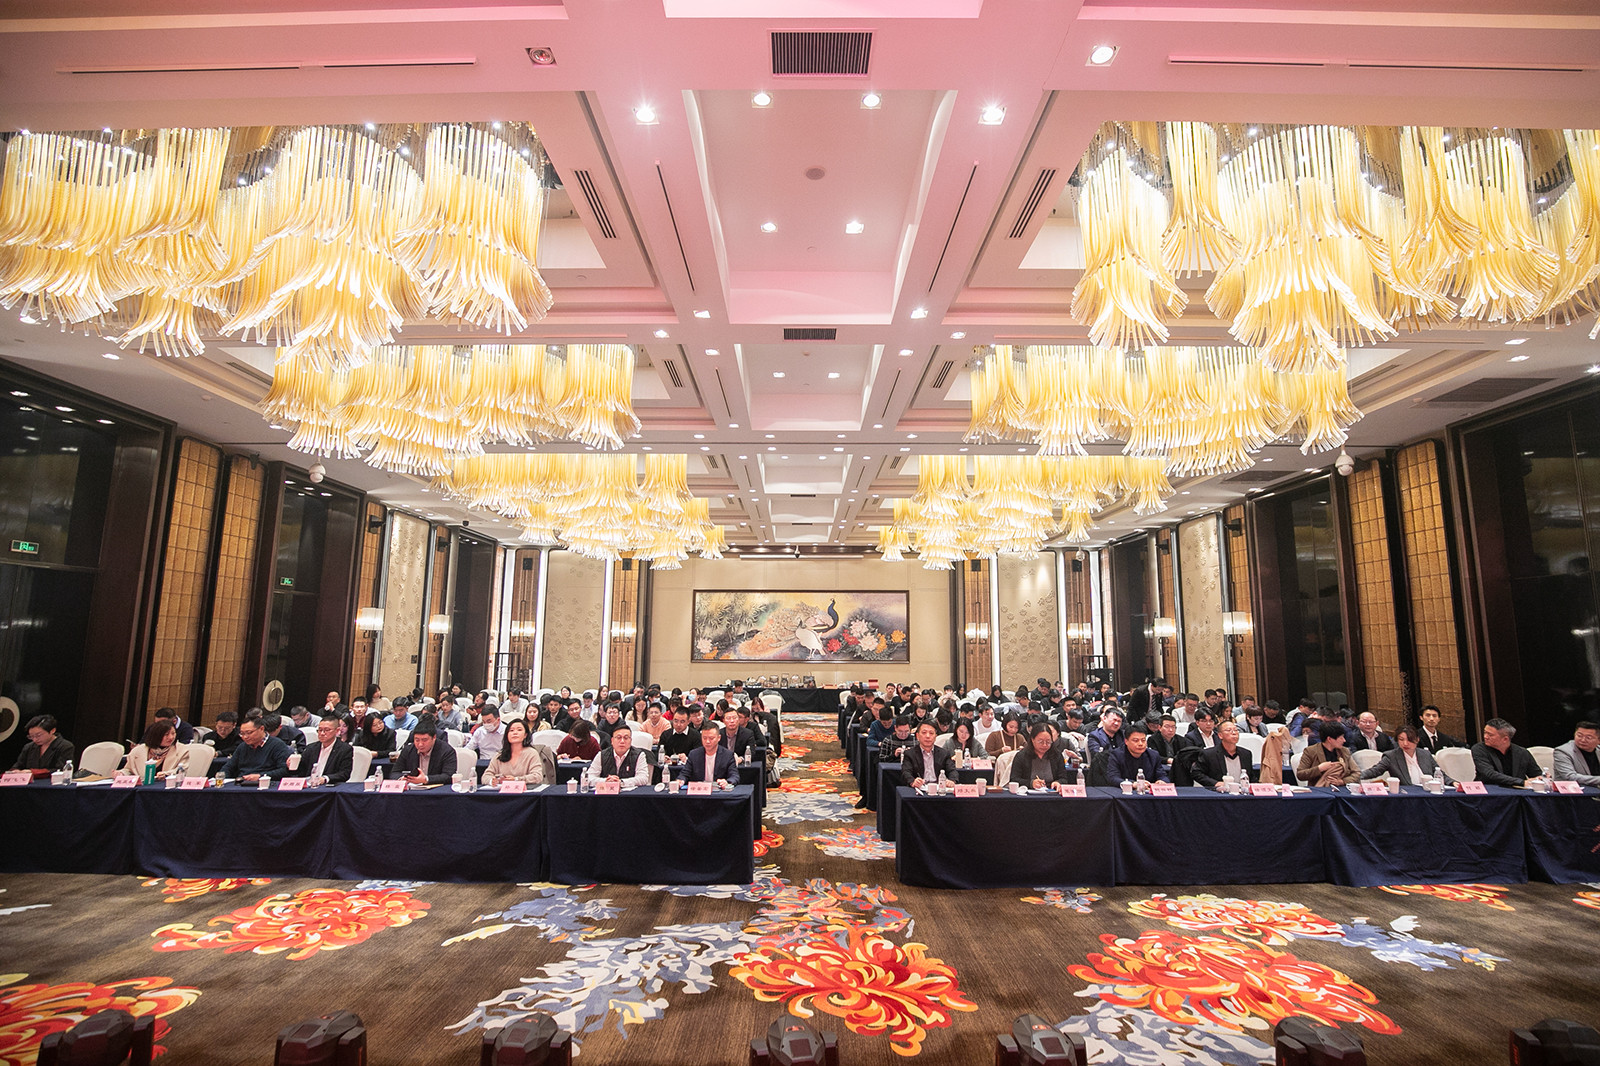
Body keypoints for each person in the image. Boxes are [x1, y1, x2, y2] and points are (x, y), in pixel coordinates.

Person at [1360, 726, 1452, 786]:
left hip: (1427, 792)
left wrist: (1453, 782)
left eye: (1409, 740)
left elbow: (1439, 773)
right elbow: (1375, 771)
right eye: (1401, 739)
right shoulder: (1391, 756)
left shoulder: (1425, 754)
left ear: (1417, 739)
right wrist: (1356, 776)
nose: (1405, 743)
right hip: (1405, 796)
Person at [1473, 718, 1544, 788]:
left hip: (1517, 791)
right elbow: (1489, 774)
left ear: (1505, 739)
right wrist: (1521, 782)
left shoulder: (1522, 752)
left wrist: (1542, 778)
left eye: (1490, 735)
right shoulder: (1479, 749)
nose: (1485, 737)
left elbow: (1536, 774)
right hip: (1489, 790)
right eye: (1485, 732)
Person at [391, 716, 458, 784]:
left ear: (434, 737)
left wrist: (426, 779)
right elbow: (395, 772)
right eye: (417, 740)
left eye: (424, 740)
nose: (420, 744)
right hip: (412, 787)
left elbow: (448, 776)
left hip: (436, 789)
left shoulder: (447, 751)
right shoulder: (408, 750)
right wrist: (402, 778)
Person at [222, 717, 290, 782]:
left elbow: (284, 770)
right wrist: (222, 777)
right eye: (242, 734)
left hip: (265, 784)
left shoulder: (277, 745)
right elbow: (229, 767)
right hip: (242, 782)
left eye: (249, 733)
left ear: (261, 729)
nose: (245, 737)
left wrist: (261, 776)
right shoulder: (242, 746)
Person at [1191, 722, 1257, 790]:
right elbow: (1197, 773)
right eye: (1229, 730)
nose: (1234, 733)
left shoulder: (1246, 753)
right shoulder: (1209, 754)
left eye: (1236, 730)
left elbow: (1251, 776)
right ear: (1220, 735)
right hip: (1219, 793)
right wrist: (1215, 783)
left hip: (1243, 792)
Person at [290, 715, 354, 784]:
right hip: (310, 785)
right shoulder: (310, 748)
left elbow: (345, 773)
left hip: (330, 786)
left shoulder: (345, 749)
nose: (322, 733)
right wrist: (291, 766)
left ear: (337, 730)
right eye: (320, 730)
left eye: (327, 730)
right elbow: (301, 771)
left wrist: (325, 779)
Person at [1008, 722, 1073, 788]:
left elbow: (1064, 779)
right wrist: (1031, 783)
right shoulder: (1022, 756)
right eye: (1040, 741)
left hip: (1051, 792)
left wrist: (1058, 782)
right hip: (1028, 793)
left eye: (1048, 742)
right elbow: (1014, 780)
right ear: (1032, 740)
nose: (1044, 745)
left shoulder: (1057, 755)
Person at [1296, 720, 1358, 787]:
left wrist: (1342, 781)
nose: (1344, 740)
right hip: (1319, 789)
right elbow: (1300, 774)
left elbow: (1356, 772)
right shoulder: (1310, 751)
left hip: (1342, 788)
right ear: (1329, 739)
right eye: (1341, 738)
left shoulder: (1344, 751)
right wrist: (1319, 768)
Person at [1103, 724, 1169, 786]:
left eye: (1143, 740)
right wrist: (1132, 784)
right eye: (1135, 740)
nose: (1140, 744)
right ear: (1126, 741)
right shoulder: (1117, 755)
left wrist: (1162, 781)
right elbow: (1113, 778)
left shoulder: (1153, 755)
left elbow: (1162, 775)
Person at [483, 719, 544, 785]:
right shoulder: (499, 755)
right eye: (511, 730)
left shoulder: (532, 753)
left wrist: (516, 779)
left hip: (525, 790)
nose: (515, 733)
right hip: (503, 790)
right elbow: (485, 776)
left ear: (525, 735)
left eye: (519, 730)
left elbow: (537, 776)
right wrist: (492, 781)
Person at [901, 721, 957, 788]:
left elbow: (952, 771)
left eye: (931, 733)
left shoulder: (944, 753)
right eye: (924, 732)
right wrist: (913, 781)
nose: (928, 736)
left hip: (938, 788)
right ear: (917, 736)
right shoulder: (910, 754)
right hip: (920, 788)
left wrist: (952, 781)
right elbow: (906, 772)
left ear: (935, 737)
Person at [1553, 721, 1600, 788]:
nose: (1583, 740)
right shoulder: (1563, 751)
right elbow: (1570, 777)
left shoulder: (1598, 750)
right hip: (1573, 791)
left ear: (1598, 740)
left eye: (1588, 738)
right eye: (1579, 736)